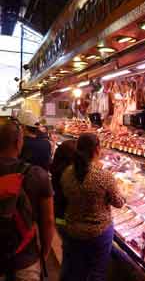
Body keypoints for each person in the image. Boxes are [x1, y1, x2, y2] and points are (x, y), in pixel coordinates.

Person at [60, 133, 125, 281]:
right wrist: (123, 195)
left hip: (73, 229)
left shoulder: (68, 172)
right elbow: (118, 203)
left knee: (76, 271)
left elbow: (67, 194)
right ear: (97, 150)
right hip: (98, 233)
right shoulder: (104, 176)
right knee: (97, 273)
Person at [0, 120, 55, 281]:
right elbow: (48, 221)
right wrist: (44, 254)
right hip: (25, 257)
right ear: (18, 142)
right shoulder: (37, 174)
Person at [50, 140, 77, 225]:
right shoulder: (69, 173)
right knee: (62, 223)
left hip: (57, 206)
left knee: (59, 220)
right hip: (66, 210)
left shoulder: (56, 166)